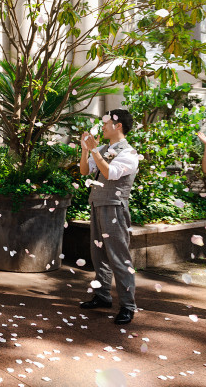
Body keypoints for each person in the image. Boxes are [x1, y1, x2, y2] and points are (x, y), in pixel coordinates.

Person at [79, 109, 139, 325]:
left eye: (106, 123)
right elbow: (85, 171)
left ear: (118, 125)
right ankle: (102, 296)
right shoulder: (103, 148)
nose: (102, 126)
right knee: (98, 254)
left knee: (118, 256)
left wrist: (94, 150)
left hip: (114, 207)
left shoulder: (129, 153)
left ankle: (127, 306)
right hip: (97, 204)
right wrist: (86, 150)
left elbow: (110, 173)